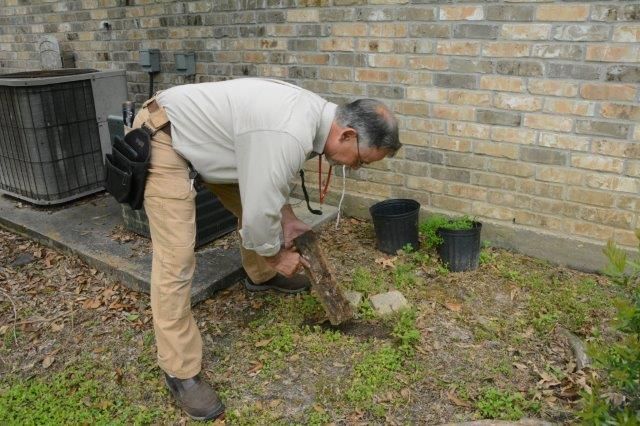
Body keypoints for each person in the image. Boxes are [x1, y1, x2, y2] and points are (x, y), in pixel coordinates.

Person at [131, 78, 402, 420]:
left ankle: (259, 276)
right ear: (346, 135)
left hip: (214, 141)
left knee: (261, 211)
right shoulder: (290, 131)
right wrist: (276, 254)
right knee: (176, 260)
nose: (355, 168)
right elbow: (260, 212)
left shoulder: (315, 120)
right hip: (166, 138)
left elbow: (267, 180)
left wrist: (287, 220)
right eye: (361, 161)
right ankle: (180, 371)